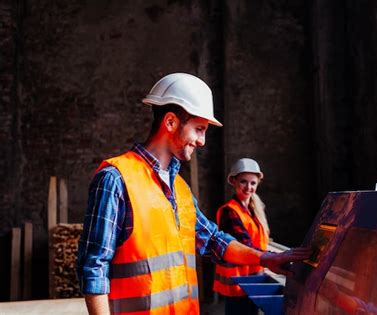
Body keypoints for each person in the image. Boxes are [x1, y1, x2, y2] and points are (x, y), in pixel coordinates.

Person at [76, 73, 311, 315]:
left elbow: (213, 240)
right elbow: (94, 266)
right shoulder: (116, 179)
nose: (202, 141)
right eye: (199, 129)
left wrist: (266, 259)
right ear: (170, 122)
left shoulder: (180, 188)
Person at [213, 158, 270, 315]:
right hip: (238, 282)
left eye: (253, 183)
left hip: (253, 279)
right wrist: (274, 258)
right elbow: (245, 245)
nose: (248, 187)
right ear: (233, 181)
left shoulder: (254, 210)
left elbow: (258, 240)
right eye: (243, 182)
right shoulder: (229, 212)